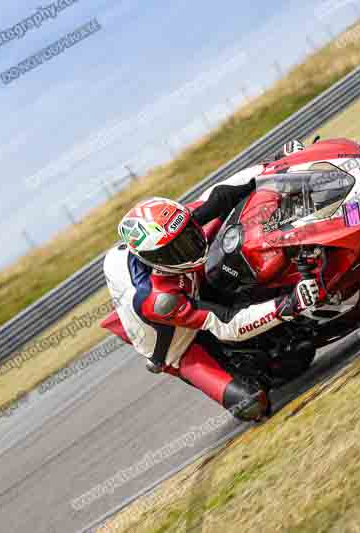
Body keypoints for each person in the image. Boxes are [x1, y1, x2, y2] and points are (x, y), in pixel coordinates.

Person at [102, 140, 317, 422]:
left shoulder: (174, 228)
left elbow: (220, 193)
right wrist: (290, 304)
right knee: (251, 405)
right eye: (176, 249)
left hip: (190, 283)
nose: (191, 246)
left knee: (235, 214)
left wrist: (278, 163)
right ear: (153, 259)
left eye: (188, 235)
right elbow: (227, 324)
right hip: (181, 343)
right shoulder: (158, 299)